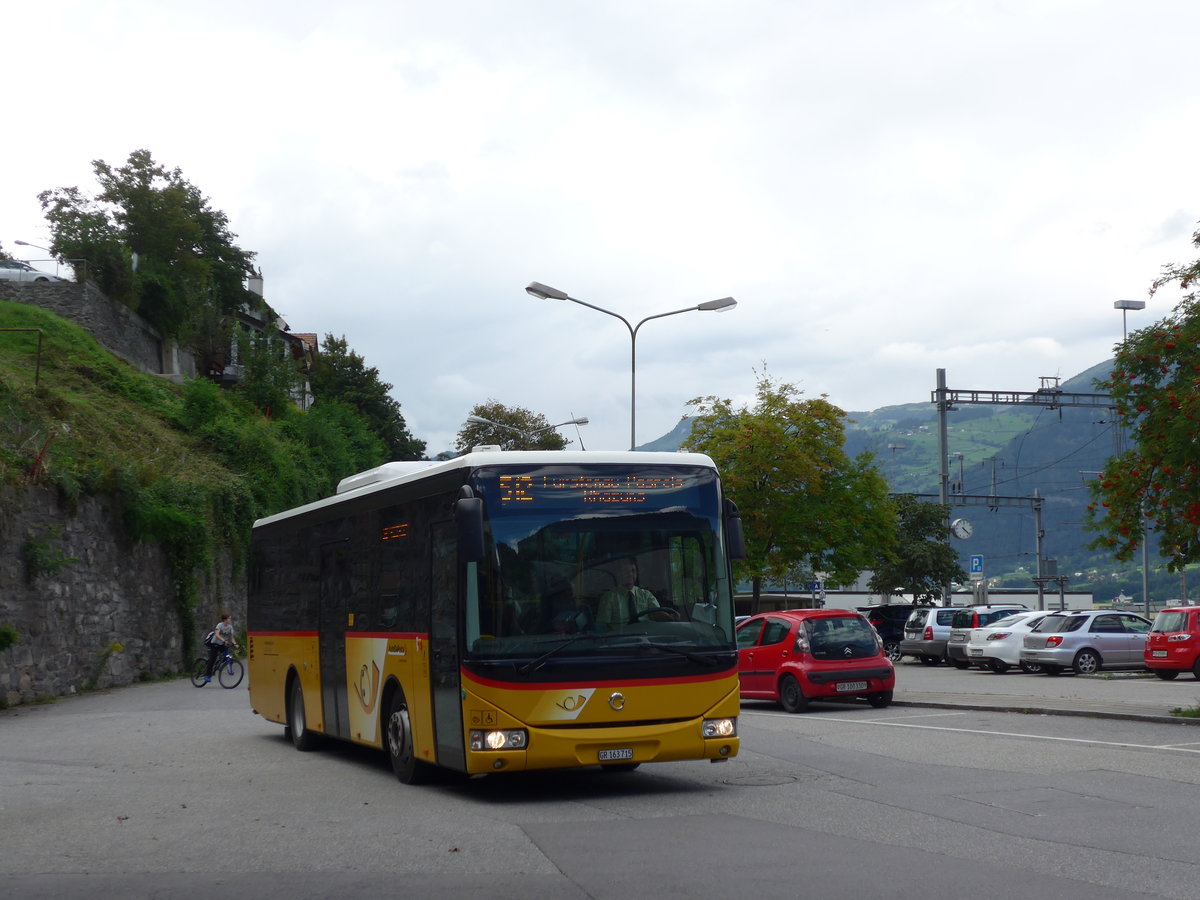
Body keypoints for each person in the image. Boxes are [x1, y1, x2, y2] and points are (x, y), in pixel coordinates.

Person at [596, 557, 668, 627]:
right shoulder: (609, 597)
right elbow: (602, 626)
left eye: (633, 571)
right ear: (618, 574)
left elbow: (658, 614)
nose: (630, 574)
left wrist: (670, 617)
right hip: (620, 634)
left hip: (645, 633)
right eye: (626, 571)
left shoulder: (646, 595)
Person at [204, 613, 238, 683]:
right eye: (229, 618)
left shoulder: (230, 627)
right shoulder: (220, 625)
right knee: (212, 660)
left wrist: (235, 644)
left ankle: (223, 666)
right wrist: (223, 640)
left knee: (227, 656)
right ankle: (207, 675)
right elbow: (217, 634)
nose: (230, 620)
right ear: (225, 620)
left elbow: (231, 637)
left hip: (222, 644)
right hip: (215, 644)